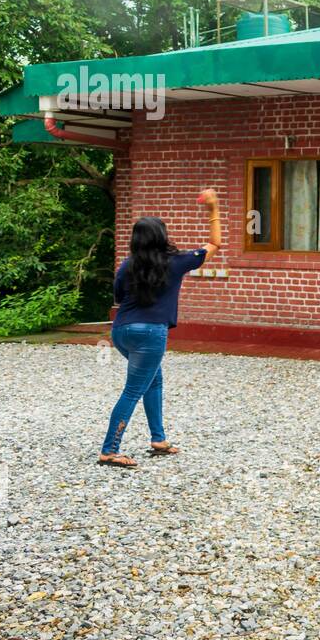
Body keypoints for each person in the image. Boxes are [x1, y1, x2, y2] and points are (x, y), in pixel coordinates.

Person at [99, 189, 221, 468]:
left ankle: (159, 439)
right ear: (162, 237)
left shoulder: (126, 266)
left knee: (153, 379)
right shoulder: (177, 262)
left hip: (121, 333)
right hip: (151, 334)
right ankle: (109, 450)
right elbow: (215, 243)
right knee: (132, 390)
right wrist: (213, 209)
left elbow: (118, 298)